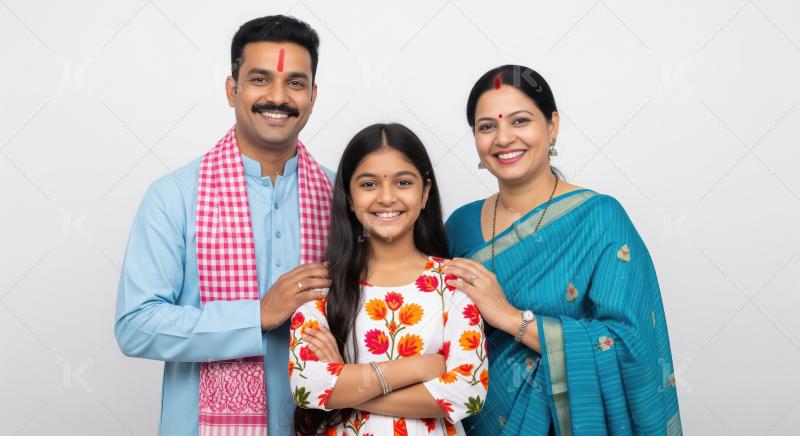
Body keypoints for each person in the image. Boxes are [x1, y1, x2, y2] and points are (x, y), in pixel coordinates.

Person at [114, 15, 335, 435]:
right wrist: (256, 316)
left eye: (294, 82)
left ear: (313, 95)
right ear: (232, 90)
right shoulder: (174, 196)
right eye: (259, 79)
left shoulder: (340, 195)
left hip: (324, 424)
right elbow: (136, 326)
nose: (277, 96)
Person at [443, 65, 682, 435]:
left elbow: (634, 350)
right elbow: (428, 327)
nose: (504, 138)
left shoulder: (600, 218)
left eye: (520, 121)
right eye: (487, 126)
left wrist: (510, 318)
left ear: (552, 125)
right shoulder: (459, 225)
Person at [288, 123, 489, 435]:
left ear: (424, 193)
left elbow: (467, 394)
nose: (386, 197)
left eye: (403, 182)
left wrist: (346, 381)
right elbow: (309, 387)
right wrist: (419, 368)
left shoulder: (452, 285)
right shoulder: (321, 288)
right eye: (368, 184)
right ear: (350, 199)